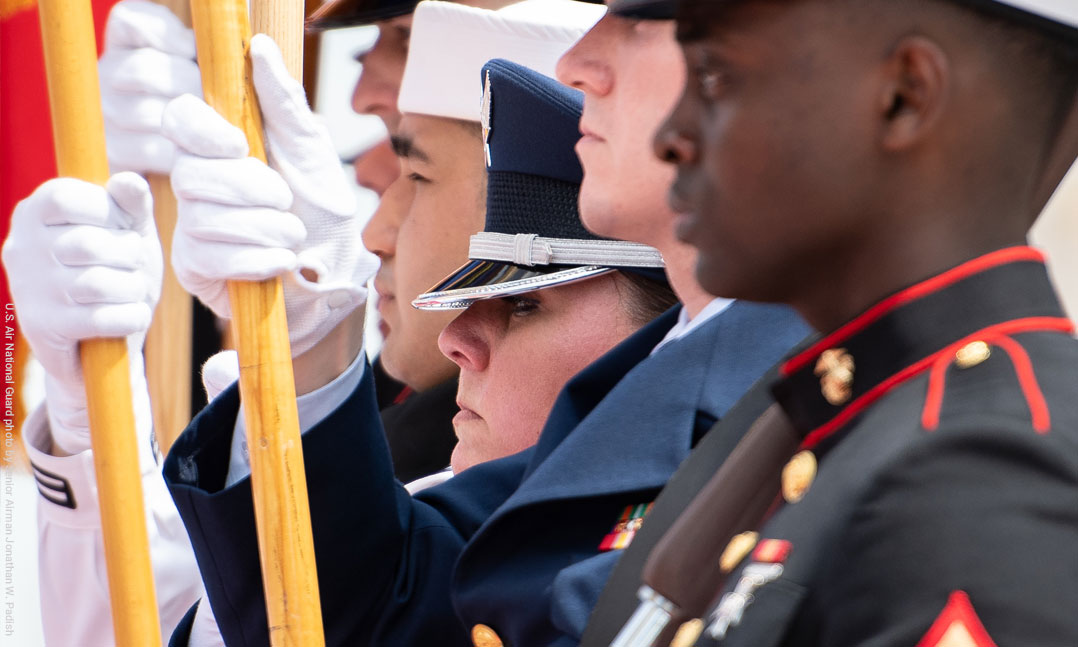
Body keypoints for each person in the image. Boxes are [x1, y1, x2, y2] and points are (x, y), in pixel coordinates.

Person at [160, 3, 808, 646]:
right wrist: (308, 345)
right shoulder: (619, 405)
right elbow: (373, 608)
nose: (579, 64)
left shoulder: (815, 399)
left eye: (524, 304)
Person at [585, 0, 1078, 645]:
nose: (670, 137)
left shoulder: (980, 466)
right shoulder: (834, 413)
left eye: (713, 78)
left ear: (903, 95)